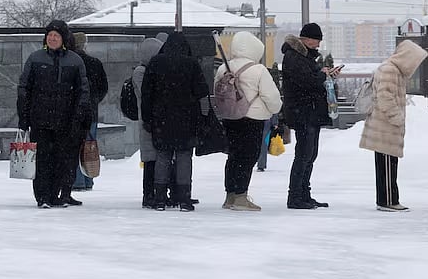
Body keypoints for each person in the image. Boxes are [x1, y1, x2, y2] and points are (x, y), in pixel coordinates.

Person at [17, 19, 90, 209]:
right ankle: (42, 196)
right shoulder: (35, 58)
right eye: (49, 35)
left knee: (61, 160)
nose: (52, 39)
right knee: (42, 160)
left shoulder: (75, 61)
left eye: (56, 36)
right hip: (40, 119)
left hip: (65, 121)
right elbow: (24, 88)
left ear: (63, 38)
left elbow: (82, 92)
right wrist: (24, 117)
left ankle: (55, 194)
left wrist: (78, 117)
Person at [140, 32, 209, 212]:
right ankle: (184, 199)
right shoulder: (192, 64)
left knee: (163, 156)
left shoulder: (155, 63)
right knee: (184, 157)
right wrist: (203, 117)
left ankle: (160, 198)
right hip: (187, 119)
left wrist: (148, 118)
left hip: (161, 119)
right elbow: (202, 92)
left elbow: (147, 95)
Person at [214, 31, 282, 211]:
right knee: (248, 156)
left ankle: (230, 196)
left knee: (234, 156)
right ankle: (241, 197)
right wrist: (276, 110)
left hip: (230, 117)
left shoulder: (223, 68)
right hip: (252, 118)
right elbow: (271, 96)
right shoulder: (258, 69)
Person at [359, 40, 428, 211]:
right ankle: (388, 201)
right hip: (385, 126)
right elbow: (385, 97)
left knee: (387, 165)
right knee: (387, 165)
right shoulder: (390, 70)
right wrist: (397, 118)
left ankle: (387, 199)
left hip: (385, 125)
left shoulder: (394, 70)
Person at [281, 22, 336, 210]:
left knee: (310, 154)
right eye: (316, 41)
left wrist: (324, 75)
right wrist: (322, 75)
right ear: (306, 39)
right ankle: (295, 196)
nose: (318, 45)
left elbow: (310, 80)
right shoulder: (294, 57)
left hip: (310, 112)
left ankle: (304, 194)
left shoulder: (304, 57)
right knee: (303, 155)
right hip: (303, 113)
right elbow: (307, 82)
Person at [71, 32, 108, 192]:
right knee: (89, 145)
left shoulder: (70, 62)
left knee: (74, 146)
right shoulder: (95, 63)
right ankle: (88, 178)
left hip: (73, 112)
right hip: (91, 112)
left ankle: (77, 180)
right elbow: (103, 88)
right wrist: (94, 101)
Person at [133, 34, 166, 208]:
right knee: (150, 159)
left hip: (155, 120)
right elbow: (149, 94)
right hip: (146, 121)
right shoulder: (141, 72)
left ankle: (156, 192)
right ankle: (148, 194)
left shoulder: (150, 71)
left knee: (157, 158)